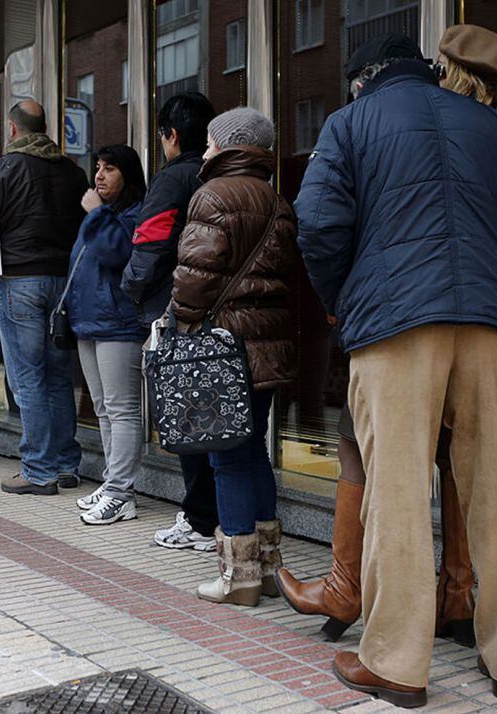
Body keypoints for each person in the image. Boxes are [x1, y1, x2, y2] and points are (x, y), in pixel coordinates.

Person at [295, 33, 497, 707]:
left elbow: (319, 224)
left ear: (364, 82)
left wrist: (341, 302)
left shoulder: (350, 123)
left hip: (394, 323)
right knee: (496, 491)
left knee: (399, 491)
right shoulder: (495, 127)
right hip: (490, 323)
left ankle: (396, 662)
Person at [168, 108, 297, 605]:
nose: (204, 152)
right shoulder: (276, 200)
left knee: (225, 457)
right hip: (267, 344)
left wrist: (182, 320)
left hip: (220, 346)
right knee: (253, 451)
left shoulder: (213, 194)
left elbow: (194, 278)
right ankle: (267, 567)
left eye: (209, 143)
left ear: (229, 146)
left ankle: (237, 576)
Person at [0, 100, 87, 494]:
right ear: (45, 128)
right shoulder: (73, 172)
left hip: (18, 281)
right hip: (62, 283)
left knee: (27, 378)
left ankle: (38, 470)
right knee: (57, 377)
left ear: (12, 129)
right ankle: (67, 465)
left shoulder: (2, 168)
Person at [120, 91, 220, 551]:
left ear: (172, 135)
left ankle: (200, 520)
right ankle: (220, 517)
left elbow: (149, 245)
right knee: (222, 418)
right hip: (225, 312)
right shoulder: (222, 175)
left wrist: (134, 292)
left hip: (176, 312)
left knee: (187, 418)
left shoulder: (172, 179)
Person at [65, 145, 147, 525]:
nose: (99, 175)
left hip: (118, 324)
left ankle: (121, 492)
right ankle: (114, 481)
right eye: (97, 167)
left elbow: (117, 253)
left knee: (122, 409)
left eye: (109, 168)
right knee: (102, 408)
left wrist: (95, 214)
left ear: (127, 175)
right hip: (90, 322)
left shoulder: (131, 215)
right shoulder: (103, 214)